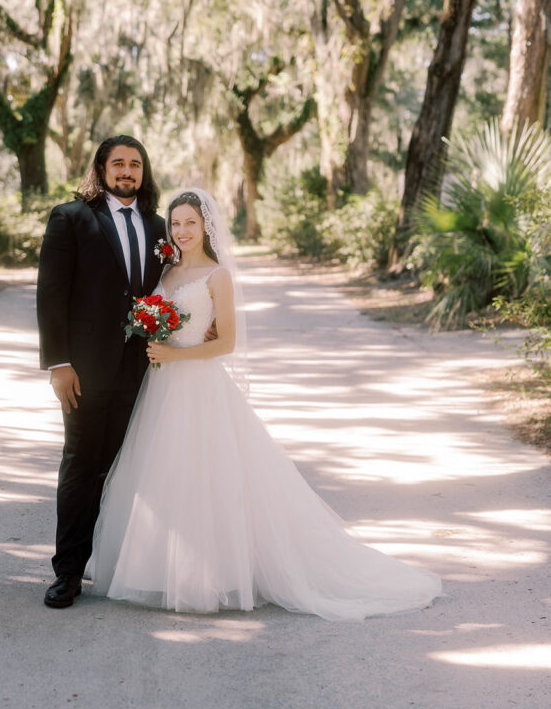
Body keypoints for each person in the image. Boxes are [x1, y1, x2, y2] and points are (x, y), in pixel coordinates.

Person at [89, 189, 443, 620]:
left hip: (199, 384)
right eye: (175, 224)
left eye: (190, 224)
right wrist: (156, 336)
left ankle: (214, 576)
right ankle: (162, 569)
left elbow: (228, 342)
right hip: (164, 388)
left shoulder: (217, 276)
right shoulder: (166, 272)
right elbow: (159, 320)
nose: (182, 232)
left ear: (206, 228)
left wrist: (176, 354)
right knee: (165, 473)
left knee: (209, 480)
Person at [36, 135, 167, 608]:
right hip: (84, 371)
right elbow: (51, 293)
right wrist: (59, 363)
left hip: (142, 369)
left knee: (123, 468)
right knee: (82, 465)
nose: (127, 172)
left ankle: (116, 566)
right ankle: (68, 572)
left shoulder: (158, 227)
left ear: (144, 172)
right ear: (102, 169)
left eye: (135, 164)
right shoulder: (70, 218)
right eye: (118, 164)